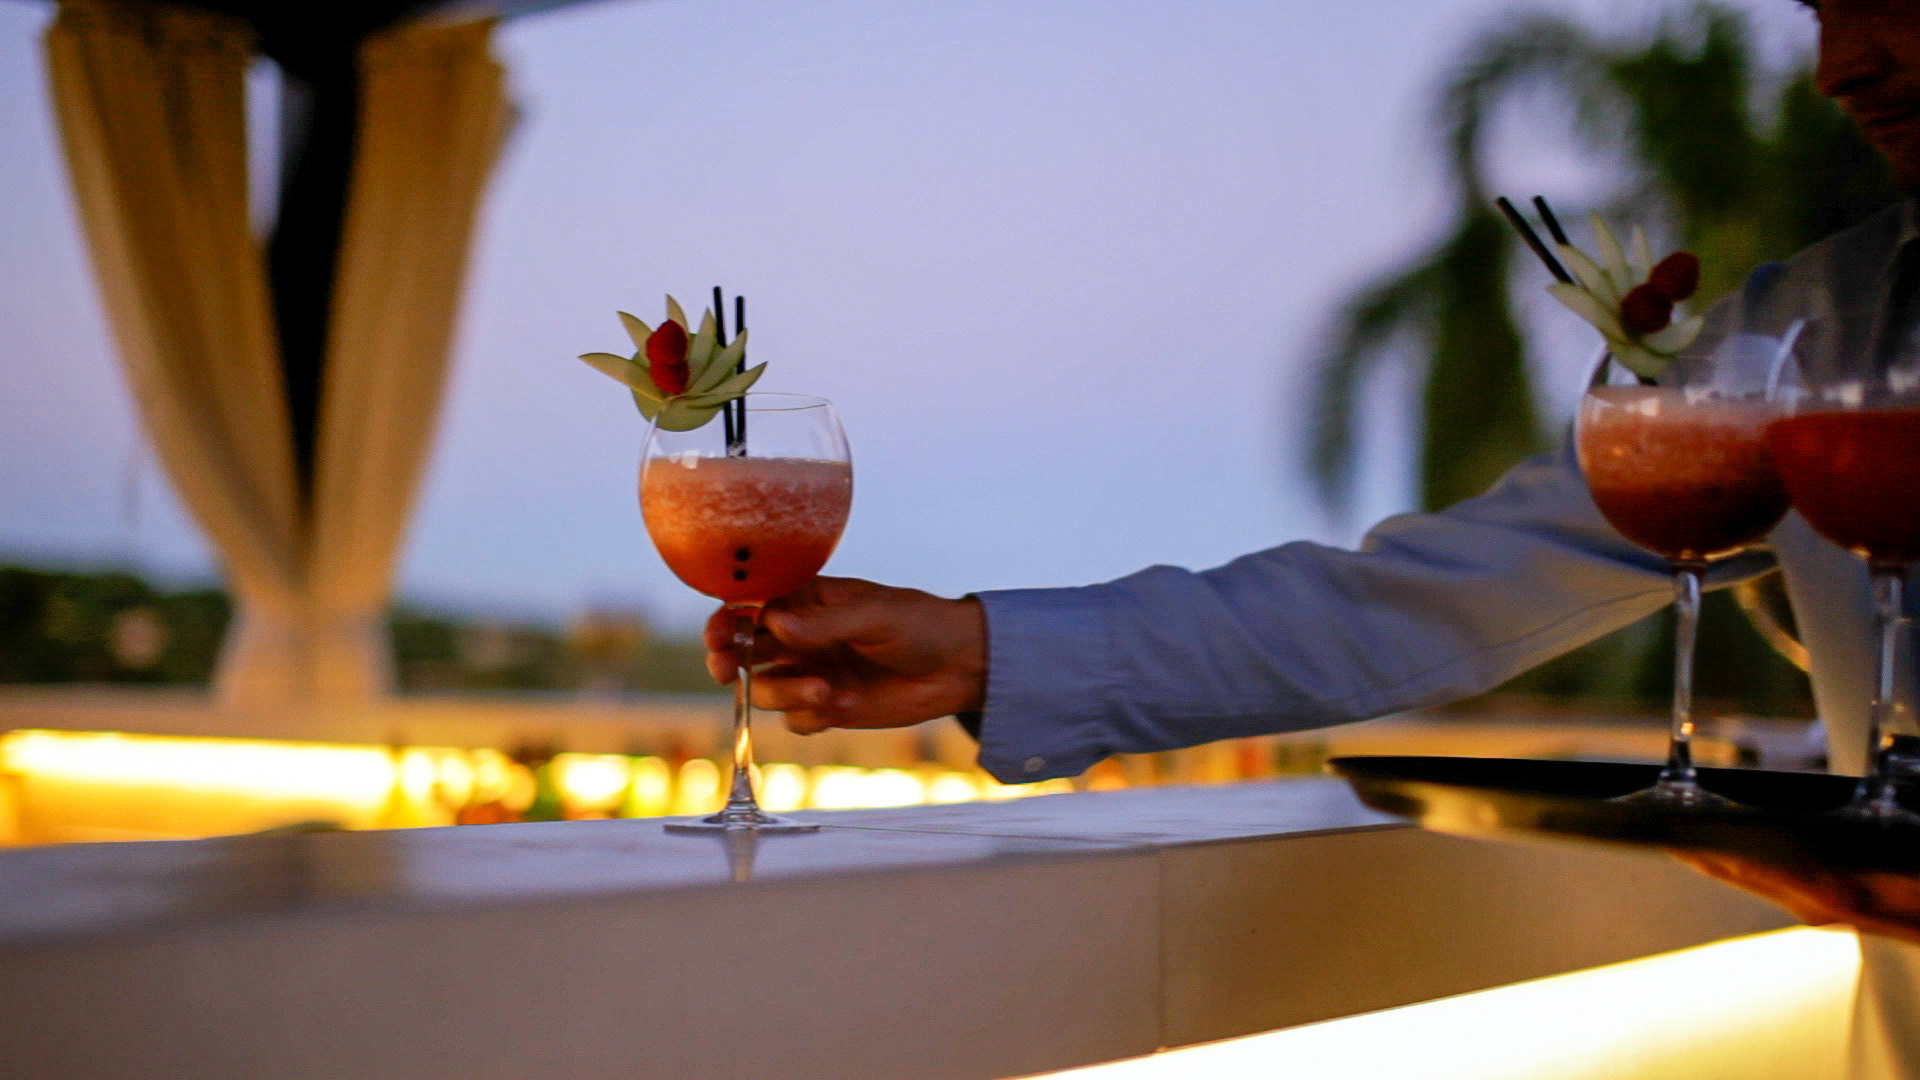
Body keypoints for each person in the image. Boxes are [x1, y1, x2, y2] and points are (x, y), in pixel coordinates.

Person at [709, 1, 1920, 1074]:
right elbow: (1422, 598)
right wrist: (988, 651)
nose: (1839, 66)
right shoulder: (1811, 329)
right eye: (1818, 8)